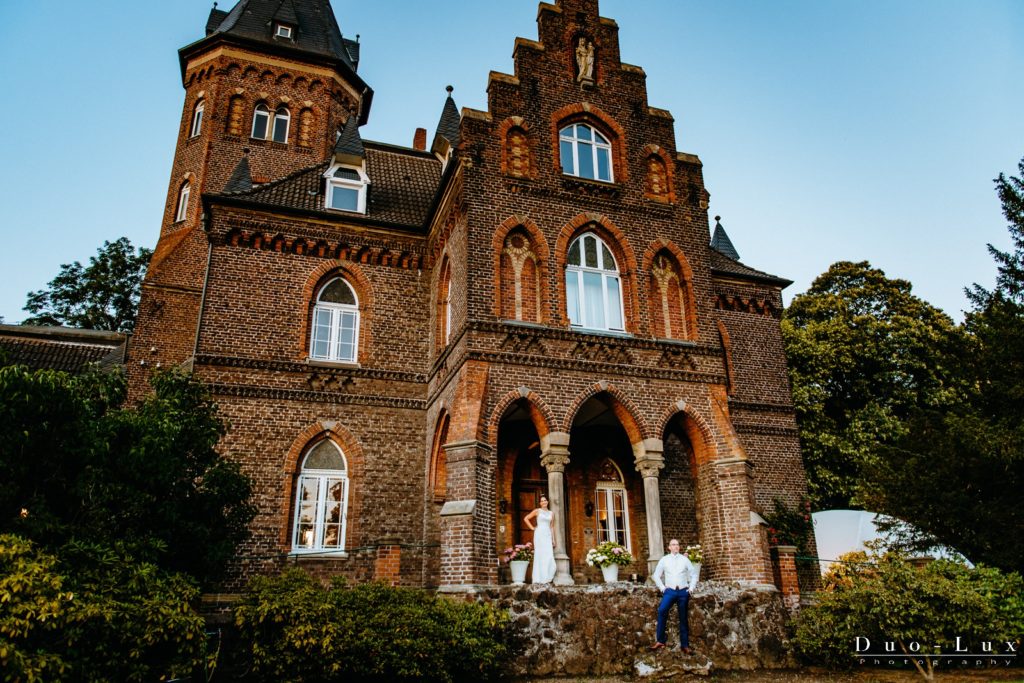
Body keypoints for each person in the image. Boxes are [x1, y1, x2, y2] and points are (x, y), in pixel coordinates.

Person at [651, 538, 697, 654]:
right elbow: (656, 575)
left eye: (677, 544)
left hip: (683, 592)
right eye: (673, 544)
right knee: (662, 610)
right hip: (670, 591)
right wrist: (662, 588)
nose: (675, 546)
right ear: (669, 547)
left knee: (683, 617)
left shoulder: (685, 560)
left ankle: (685, 645)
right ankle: (660, 640)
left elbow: (694, 574)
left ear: (679, 547)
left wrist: (691, 588)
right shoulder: (664, 560)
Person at [523, 494, 556, 584]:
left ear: (547, 502)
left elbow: (552, 527)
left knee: (549, 556)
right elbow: (526, 518)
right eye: (542, 501)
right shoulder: (537, 511)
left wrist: (553, 540)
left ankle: (546, 578)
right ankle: (538, 579)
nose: (544, 502)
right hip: (539, 535)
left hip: (548, 535)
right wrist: (532, 528)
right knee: (540, 555)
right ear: (540, 503)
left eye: (545, 500)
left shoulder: (551, 514)